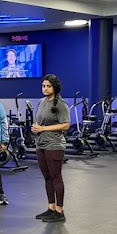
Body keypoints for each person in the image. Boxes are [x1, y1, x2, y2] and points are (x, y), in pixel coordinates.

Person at [32, 74, 71, 222]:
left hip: (54, 145)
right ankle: (51, 208)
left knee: (56, 177)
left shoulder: (60, 104)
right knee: (47, 177)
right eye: (43, 86)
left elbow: (66, 125)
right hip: (41, 143)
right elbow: (40, 122)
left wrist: (43, 129)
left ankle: (60, 211)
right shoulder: (41, 102)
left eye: (48, 86)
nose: (45, 88)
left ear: (54, 87)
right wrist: (36, 128)